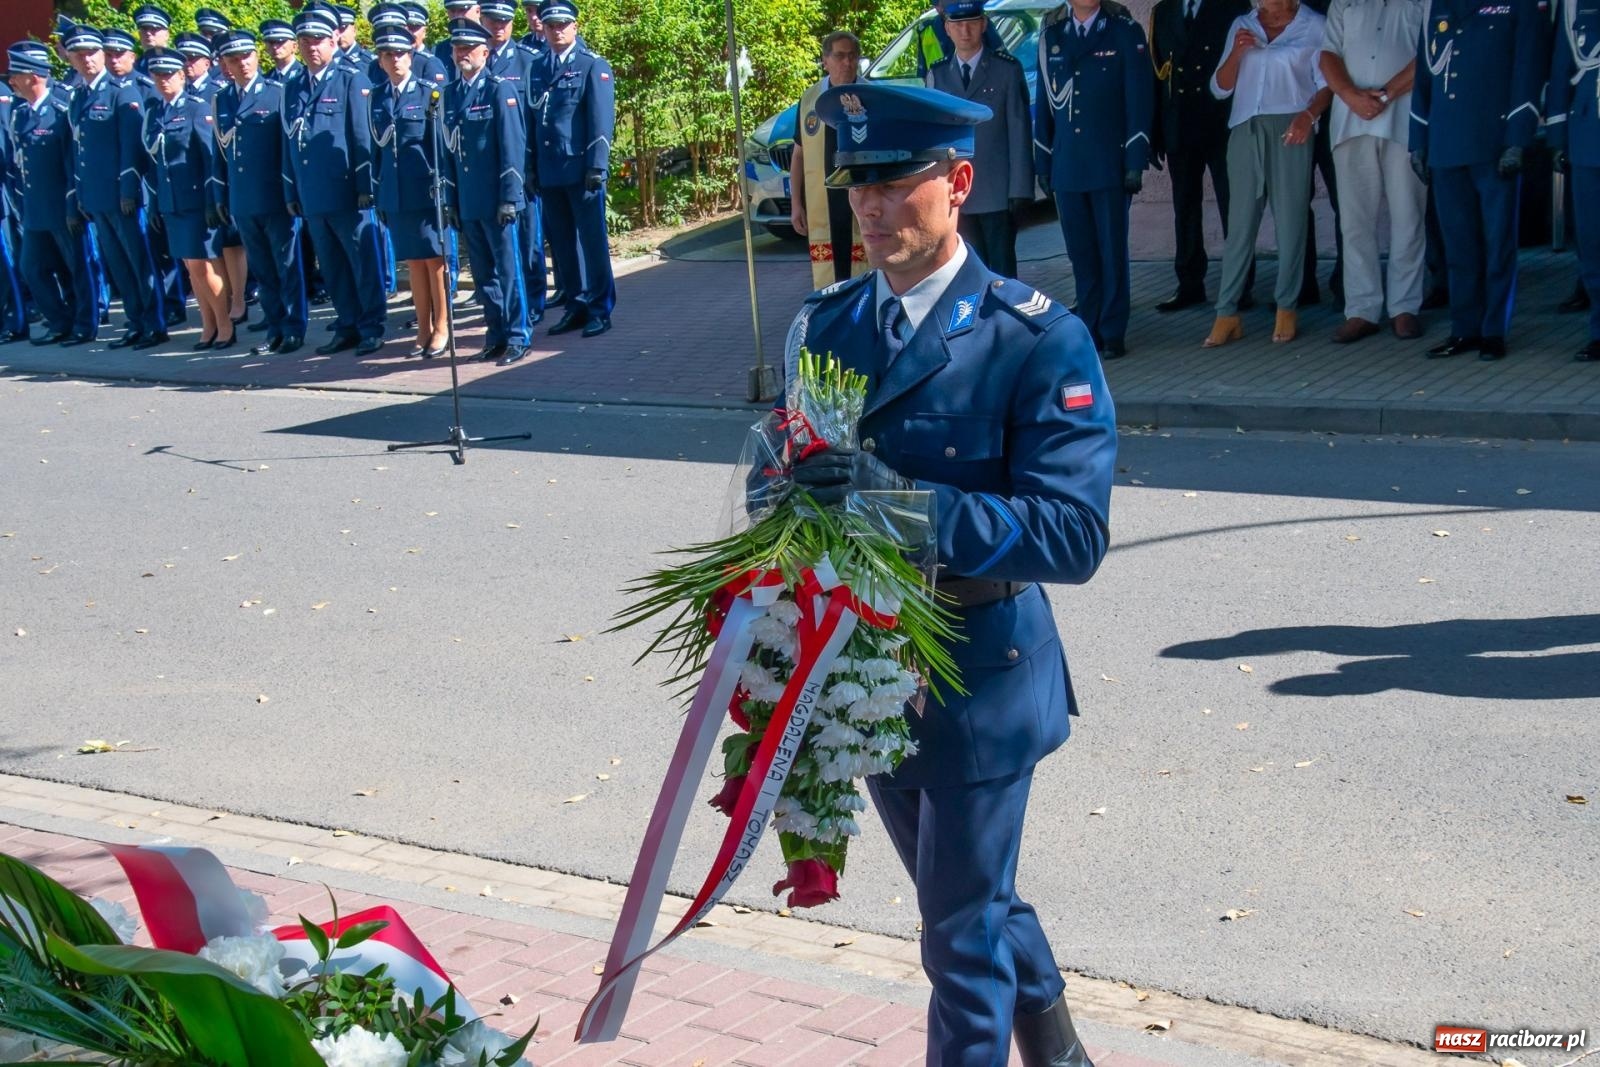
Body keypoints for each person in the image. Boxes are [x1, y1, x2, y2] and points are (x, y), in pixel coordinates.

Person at [786, 80, 1114, 1067]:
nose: (875, 209)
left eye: (897, 185)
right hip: (869, 659)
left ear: (959, 182)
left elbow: (1069, 534)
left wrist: (897, 503)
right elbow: (801, 478)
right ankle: (1058, 1046)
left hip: (979, 668)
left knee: (956, 937)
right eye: (860, 189)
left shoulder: (1034, 336)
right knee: (964, 892)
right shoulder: (831, 325)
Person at [1409, 0, 1545, 360]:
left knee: (1497, 244)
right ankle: (1464, 329)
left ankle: (1493, 331)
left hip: (1494, 144)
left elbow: (1527, 70)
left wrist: (1518, 138)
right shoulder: (1434, 7)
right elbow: (1424, 77)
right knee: (1459, 247)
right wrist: (1418, 141)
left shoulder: (1516, 6)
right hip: (1446, 145)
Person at [1202, 0, 1330, 347]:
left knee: (1291, 221)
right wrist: (1237, 53)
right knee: (1240, 223)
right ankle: (1226, 312)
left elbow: (1326, 84)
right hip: (1245, 129)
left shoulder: (1314, 25)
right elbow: (1219, 87)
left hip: (1292, 126)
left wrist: (1308, 117)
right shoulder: (1243, 24)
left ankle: (1287, 306)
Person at [1034, 0, 1154, 359]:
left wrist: (1135, 158)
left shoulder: (1123, 30)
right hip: (1069, 164)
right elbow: (1044, 104)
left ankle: (1112, 329)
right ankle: (1089, 326)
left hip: (1108, 162)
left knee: (1111, 250)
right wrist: (1043, 159)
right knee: (1081, 253)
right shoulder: (1053, 35)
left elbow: (1139, 98)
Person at [1317, 0, 1425, 342]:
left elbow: (1431, 52)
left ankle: (1405, 307)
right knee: (1354, 221)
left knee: (1408, 216)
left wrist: (1386, 94)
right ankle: (1362, 310)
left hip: (1404, 118)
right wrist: (1350, 95)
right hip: (1351, 120)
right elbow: (1328, 54)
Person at [283, 5, 387, 356]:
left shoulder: (350, 78)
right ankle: (347, 325)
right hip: (312, 193)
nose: (312, 47)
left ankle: (371, 326)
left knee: (362, 263)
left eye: (318, 40)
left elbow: (361, 138)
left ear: (333, 41)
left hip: (345, 191)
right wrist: (290, 187)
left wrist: (363, 186)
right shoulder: (293, 85)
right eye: (305, 41)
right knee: (331, 266)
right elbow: (289, 142)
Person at [65, 25, 170, 351]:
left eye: (92, 52)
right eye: (79, 54)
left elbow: (131, 147)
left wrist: (129, 188)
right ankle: (136, 322)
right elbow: (79, 152)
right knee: (118, 264)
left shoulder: (121, 92)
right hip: (96, 195)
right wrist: (81, 194)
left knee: (139, 262)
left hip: (122, 194)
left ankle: (155, 323)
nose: (87, 60)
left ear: (101, 53)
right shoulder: (80, 95)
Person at [1150, 0, 1251, 310]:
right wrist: (1155, 132)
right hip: (1179, 123)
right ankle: (1190, 283)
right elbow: (1158, 75)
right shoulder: (1163, 11)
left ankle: (1241, 285)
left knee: (1232, 207)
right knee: (1185, 207)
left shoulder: (1231, 7)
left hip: (1220, 121)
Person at [213, 29, 306, 356]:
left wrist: (290, 189)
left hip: (274, 196)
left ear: (257, 57)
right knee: (262, 270)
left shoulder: (276, 93)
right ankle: (274, 327)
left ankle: (294, 327)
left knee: (286, 265)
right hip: (242, 199)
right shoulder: (222, 99)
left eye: (247, 56)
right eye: (234, 59)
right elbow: (219, 154)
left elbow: (287, 149)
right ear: (226, 63)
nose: (242, 64)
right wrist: (220, 197)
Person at [442, 18, 529, 363]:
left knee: (509, 271)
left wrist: (510, 196)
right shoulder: (450, 94)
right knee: (483, 276)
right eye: (457, 48)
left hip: (497, 200)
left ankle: (518, 336)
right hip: (468, 201)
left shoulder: (498, 90)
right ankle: (495, 333)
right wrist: (451, 200)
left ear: (484, 51)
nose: (462, 54)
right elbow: (448, 152)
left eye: (468, 48)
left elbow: (513, 147)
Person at [925, 1, 1033, 279]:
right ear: (947, 28)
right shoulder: (937, 75)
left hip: (996, 192)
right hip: (955, 193)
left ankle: (1005, 324)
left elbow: (1019, 132)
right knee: (962, 273)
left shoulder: (1006, 70)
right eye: (958, 24)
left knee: (1002, 274)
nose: (965, 31)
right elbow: (933, 140)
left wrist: (1020, 189)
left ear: (983, 25)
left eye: (971, 23)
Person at [140, 48, 233, 351]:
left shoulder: (196, 107)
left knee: (206, 266)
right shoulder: (155, 112)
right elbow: (155, 164)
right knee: (192, 268)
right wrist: (155, 203)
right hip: (172, 203)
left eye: (169, 75)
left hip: (196, 201)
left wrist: (212, 200)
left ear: (182, 75)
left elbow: (209, 159)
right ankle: (207, 325)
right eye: (158, 76)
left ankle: (225, 324)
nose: (164, 80)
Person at [533, 0, 616, 337]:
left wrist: (597, 165)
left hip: (582, 170)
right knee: (564, 246)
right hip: (550, 171)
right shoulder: (538, 68)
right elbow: (534, 120)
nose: (557, 31)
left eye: (563, 24)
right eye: (551, 25)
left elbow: (601, 119)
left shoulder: (592, 65)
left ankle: (600, 308)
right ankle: (576, 305)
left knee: (593, 242)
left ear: (575, 26)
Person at [7, 42, 96, 346]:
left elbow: (73, 162)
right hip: (35, 208)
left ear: (33, 77)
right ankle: (60, 321)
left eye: (16, 75)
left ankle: (84, 324)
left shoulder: (61, 109)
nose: (11, 81)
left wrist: (74, 203)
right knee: (31, 267)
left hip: (62, 205)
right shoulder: (22, 114)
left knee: (76, 268)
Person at [372, 27, 449, 359]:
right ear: (380, 60)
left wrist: (443, 192)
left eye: (401, 53)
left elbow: (440, 148)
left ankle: (443, 325)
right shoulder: (376, 97)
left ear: (411, 57)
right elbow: (375, 150)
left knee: (435, 261)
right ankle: (422, 327)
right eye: (388, 55)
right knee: (413, 262)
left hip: (425, 191)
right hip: (396, 191)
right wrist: (378, 190)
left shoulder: (429, 93)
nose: (395, 59)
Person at [481, 0, 547, 326]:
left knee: (529, 241)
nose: (498, 27)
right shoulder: (474, 62)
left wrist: (533, 165)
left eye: (504, 21)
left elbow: (535, 119)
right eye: (492, 20)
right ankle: (506, 308)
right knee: (497, 249)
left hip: (522, 167)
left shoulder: (527, 60)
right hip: (485, 171)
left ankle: (534, 302)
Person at [790, 31, 867, 288]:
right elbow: (799, 154)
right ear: (825, 61)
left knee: (862, 272)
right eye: (840, 56)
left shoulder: (873, 95)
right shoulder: (811, 99)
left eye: (852, 56)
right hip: (824, 201)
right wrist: (796, 204)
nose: (847, 62)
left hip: (863, 198)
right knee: (829, 277)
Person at [1549, 0, 1600, 362]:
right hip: (1587, 135)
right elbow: (1561, 66)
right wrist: (1557, 138)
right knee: (1592, 240)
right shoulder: (1574, 4)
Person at [132, 4, 172, 77]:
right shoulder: (133, 67)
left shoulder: (179, 65)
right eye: (144, 29)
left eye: (154, 29)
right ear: (139, 34)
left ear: (167, 34)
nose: (148, 33)